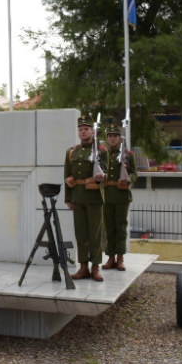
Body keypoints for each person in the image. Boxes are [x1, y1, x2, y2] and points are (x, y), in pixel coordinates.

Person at [64, 115, 107, 282]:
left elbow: (107, 173)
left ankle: (95, 268)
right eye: (81, 129)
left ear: (93, 132)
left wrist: (101, 178)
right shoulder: (72, 152)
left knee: (95, 235)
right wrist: (68, 198)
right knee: (81, 234)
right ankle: (83, 267)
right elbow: (67, 176)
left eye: (86, 129)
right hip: (78, 198)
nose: (83, 132)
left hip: (94, 197)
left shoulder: (101, 152)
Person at [102, 120, 137, 271]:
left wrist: (129, 179)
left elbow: (134, 173)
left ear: (120, 138)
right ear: (107, 138)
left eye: (115, 136)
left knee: (121, 228)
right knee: (109, 228)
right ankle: (111, 258)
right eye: (110, 136)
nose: (112, 139)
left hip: (121, 196)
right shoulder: (102, 155)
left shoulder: (128, 155)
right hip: (106, 196)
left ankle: (120, 259)